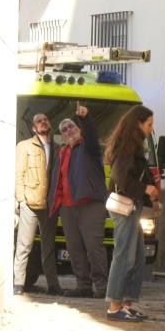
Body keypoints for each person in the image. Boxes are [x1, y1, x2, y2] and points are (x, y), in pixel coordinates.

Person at [103, 105, 158, 322]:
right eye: (149, 124)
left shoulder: (134, 144)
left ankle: (126, 304)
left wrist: (150, 195)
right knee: (125, 255)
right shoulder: (128, 146)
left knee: (137, 257)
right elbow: (119, 176)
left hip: (132, 207)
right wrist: (146, 189)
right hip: (125, 207)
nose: (151, 129)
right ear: (138, 124)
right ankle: (114, 306)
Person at [49, 102, 108, 299]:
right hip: (68, 207)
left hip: (90, 203)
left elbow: (91, 133)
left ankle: (102, 287)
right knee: (74, 248)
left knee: (93, 247)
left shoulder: (89, 147)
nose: (68, 130)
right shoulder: (62, 153)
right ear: (62, 136)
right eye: (64, 130)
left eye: (71, 126)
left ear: (79, 129)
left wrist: (85, 117)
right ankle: (83, 285)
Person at [13, 113, 63, 296]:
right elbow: (18, 173)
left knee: (48, 248)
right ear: (33, 128)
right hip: (30, 202)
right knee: (24, 245)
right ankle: (18, 283)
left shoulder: (57, 148)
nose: (43, 122)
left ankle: (53, 285)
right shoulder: (24, 146)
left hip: (49, 204)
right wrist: (21, 199)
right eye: (39, 121)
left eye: (45, 120)